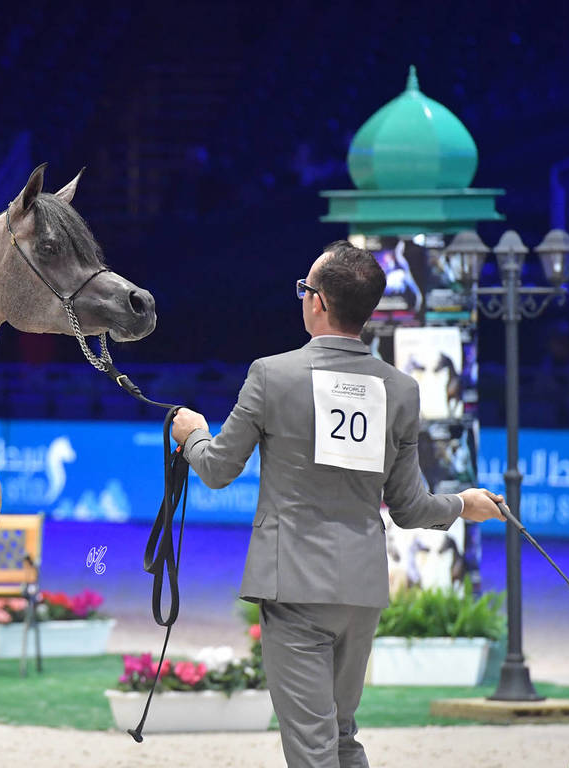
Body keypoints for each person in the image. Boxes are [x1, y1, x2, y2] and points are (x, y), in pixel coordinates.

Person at [171, 240, 507, 768]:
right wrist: (463, 504)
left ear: (319, 302)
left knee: (313, 748)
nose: (302, 297)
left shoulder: (270, 375)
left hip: (295, 585)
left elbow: (216, 469)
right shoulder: (399, 389)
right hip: (360, 589)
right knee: (340, 737)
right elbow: (410, 507)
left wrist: (190, 434)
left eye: (305, 289)